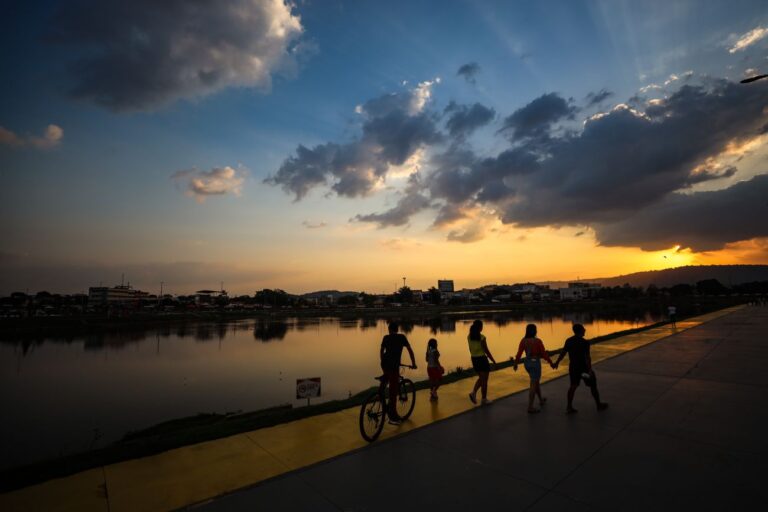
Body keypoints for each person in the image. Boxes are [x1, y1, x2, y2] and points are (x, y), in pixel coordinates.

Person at [553, 324, 608, 414]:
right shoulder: (585, 342)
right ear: (580, 330)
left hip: (574, 368)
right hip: (584, 370)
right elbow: (587, 358)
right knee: (593, 385)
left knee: (573, 386)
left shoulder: (569, 340)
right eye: (583, 329)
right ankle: (598, 405)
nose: (585, 330)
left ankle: (569, 407)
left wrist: (557, 362)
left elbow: (563, 353)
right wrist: (589, 370)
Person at [380, 321, 417, 424]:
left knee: (386, 380)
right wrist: (413, 363)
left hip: (384, 364)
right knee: (393, 391)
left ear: (389, 329)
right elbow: (410, 350)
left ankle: (381, 397)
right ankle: (393, 417)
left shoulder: (385, 338)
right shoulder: (401, 337)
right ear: (397, 329)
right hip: (393, 365)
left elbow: (381, 351)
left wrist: (382, 362)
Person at [513, 324, 555, 413]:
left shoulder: (523, 341)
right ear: (535, 331)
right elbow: (543, 354)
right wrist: (551, 363)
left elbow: (519, 353)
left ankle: (540, 400)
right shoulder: (538, 341)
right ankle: (530, 407)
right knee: (533, 384)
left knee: (535, 382)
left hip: (527, 363)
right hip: (535, 363)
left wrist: (516, 364)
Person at [467, 320, 497, 405]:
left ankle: (473, 393)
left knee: (481, 378)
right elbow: (486, 351)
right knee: (484, 381)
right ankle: (483, 399)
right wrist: (493, 361)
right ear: (480, 327)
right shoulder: (482, 337)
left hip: (474, 359)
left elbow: (470, 349)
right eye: (482, 326)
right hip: (482, 359)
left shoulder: (469, 336)